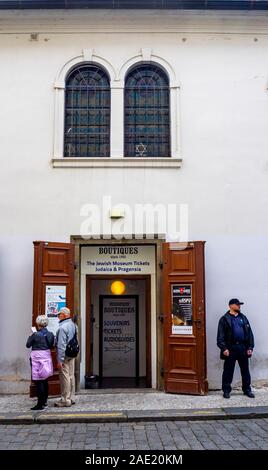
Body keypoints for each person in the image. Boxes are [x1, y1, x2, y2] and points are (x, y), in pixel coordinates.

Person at [217, 298, 255, 399]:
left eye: (239, 305)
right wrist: (224, 348)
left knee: (245, 371)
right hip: (230, 348)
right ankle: (226, 390)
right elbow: (220, 336)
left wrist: (250, 347)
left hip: (242, 347)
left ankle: (247, 389)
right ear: (230, 306)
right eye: (237, 304)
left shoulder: (243, 318)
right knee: (228, 371)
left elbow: (249, 334)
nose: (239, 306)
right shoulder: (224, 319)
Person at [26, 315, 54, 410]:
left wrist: (30, 336)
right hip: (46, 356)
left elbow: (28, 345)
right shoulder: (50, 334)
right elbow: (51, 345)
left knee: (38, 381)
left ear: (38, 324)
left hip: (37, 357)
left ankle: (40, 404)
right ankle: (45, 401)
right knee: (45, 379)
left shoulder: (35, 334)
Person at [55, 307, 77, 407]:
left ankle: (65, 399)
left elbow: (61, 345)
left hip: (65, 355)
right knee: (71, 375)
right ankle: (72, 397)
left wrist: (59, 360)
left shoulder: (62, 327)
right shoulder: (74, 325)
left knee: (65, 377)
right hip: (73, 353)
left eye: (59, 314)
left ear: (64, 315)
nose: (58, 316)